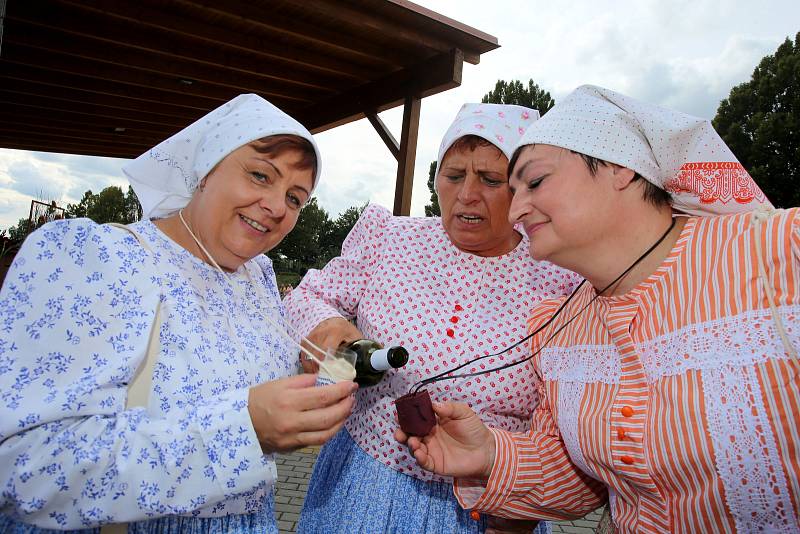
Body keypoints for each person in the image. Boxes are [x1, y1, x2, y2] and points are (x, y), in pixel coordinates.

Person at [397, 85, 800, 533]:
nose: (516, 211)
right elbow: (579, 482)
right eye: (511, 190)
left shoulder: (779, 255)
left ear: (619, 168)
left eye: (533, 182)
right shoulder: (556, 326)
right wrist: (491, 453)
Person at [0, 94, 357, 533]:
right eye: (260, 175)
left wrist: (328, 373)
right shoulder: (96, 257)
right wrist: (245, 430)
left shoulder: (257, 277)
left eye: (296, 198)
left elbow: (251, 386)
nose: (278, 206)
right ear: (204, 170)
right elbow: (24, 468)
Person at [285, 103, 582, 533]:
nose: (466, 195)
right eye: (454, 174)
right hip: (361, 488)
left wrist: (514, 510)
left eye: (491, 179)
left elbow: (565, 419)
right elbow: (308, 297)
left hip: (486, 508)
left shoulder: (560, 278)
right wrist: (327, 330)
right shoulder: (389, 238)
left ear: (523, 189)